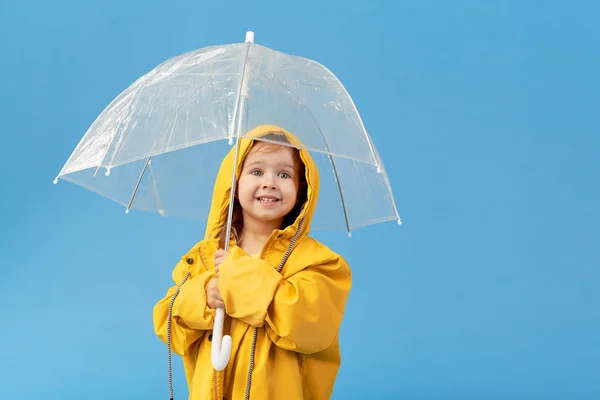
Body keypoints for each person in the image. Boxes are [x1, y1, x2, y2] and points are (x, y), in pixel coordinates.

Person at [153, 124, 352, 399]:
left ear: (300, 190)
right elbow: (169, 328)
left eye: (284, 174)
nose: (269, 182)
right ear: (233, 185)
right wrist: (203, 296)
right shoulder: (204, 256)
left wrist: (238, 278)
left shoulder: (319, 263)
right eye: (256, 171)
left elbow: (309, 327)